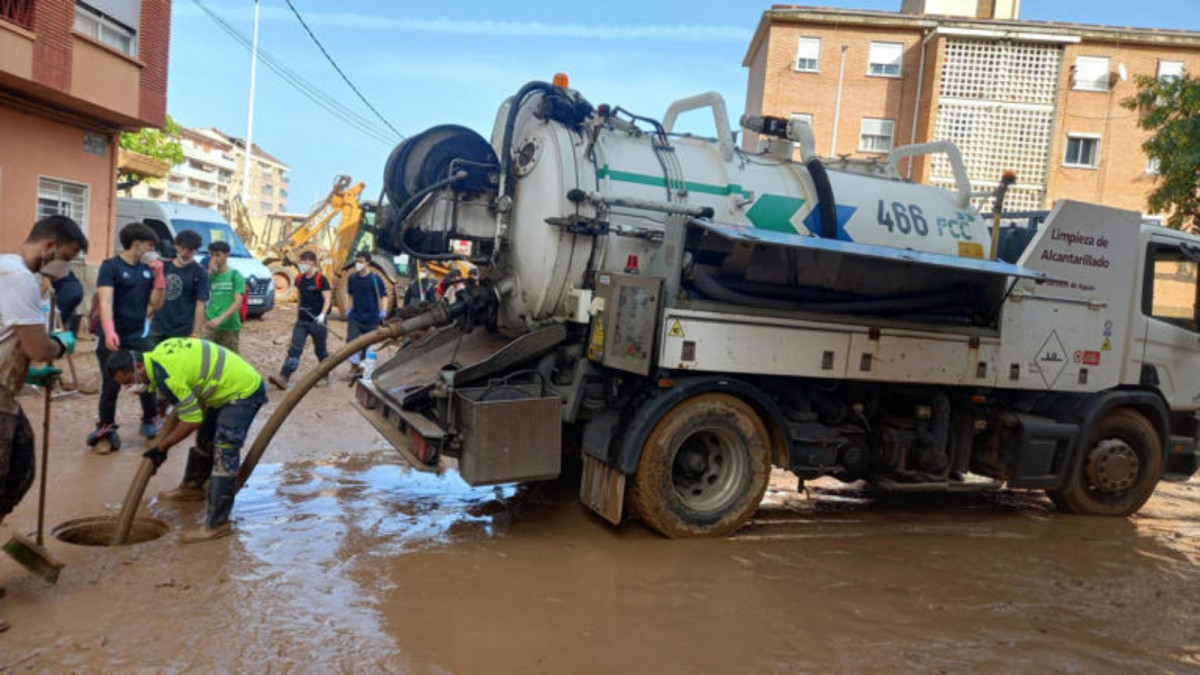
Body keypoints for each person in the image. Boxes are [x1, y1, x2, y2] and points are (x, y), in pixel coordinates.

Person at [0, 215, 85, 632]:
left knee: (20, 470)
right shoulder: (20, 277)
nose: (63, 268)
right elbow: (36, 346)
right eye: (65, 259)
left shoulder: (6, 270)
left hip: (5, 392)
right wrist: (56, 346)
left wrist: (28, 374)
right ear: (49, 246)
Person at [106, 338, 267, 543]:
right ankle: (192, 488)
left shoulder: (169, 377)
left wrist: (162, 447)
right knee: (205, 439)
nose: (130, 386)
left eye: (129, 381)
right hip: (223, 388)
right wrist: (163, 406)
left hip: (243, 391)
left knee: (224, 450)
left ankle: (217, 524)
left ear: (138, 366)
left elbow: (192, 420)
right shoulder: (159, 353)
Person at [89, 222, 165, 448]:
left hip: (139, 334)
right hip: (112, 335)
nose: (152, 249)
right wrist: (110, 331)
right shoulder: (110, 266)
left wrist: (159, 276)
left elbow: (156, 303)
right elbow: (105, 301)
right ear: (137, 244)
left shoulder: (146, 269)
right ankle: (106, 425)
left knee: (147, 377)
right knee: (111, 381)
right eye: (150, 245)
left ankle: (150, 419)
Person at [268, 251, 330, 389]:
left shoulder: (321, 280)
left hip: (317, 321)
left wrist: (322, 315)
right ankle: (283, 378)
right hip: (302, 321)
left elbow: (327, 299)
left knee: (321, 351)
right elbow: (301, 298)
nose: (304, 265)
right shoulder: (299, 279)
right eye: (302, 262)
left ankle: (325, 376)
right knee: (294, 349)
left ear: (313, 263)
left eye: (307, 262)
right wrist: (298, 314)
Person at [150, 230, 208, 343]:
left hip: (183, 330)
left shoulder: (200, 272)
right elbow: (153, 296)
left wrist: (195, 333)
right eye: (182, 248)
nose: (185, 253)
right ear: (176, 246)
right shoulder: (164, 267)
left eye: (190, 249)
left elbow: (200, 304)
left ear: (195, 250)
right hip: (158, 326)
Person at [344, 250, 388, 378]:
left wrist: (383, 311)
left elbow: (383, 296)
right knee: (351, 342)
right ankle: (353, 367)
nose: (358, 264)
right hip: (356, 316)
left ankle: (361, 368)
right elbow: (350, 295)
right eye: (357, 261)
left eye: (361, 262)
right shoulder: (352, 278)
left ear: (368, 263)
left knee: (366, 345)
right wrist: (349, 310)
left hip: (371, 318)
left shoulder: (375, 279)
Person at [198, 240, 244, 353]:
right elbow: (201, 293)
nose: (215, 258)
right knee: (205, 356)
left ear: (227, 255)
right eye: (212, 255)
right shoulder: (211, 276)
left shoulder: (235, 276)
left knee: (231, 360)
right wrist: (208, 271)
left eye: (218, 255)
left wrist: (220, 319)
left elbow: (238, 302)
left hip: (229, 326)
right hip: (210, 321)